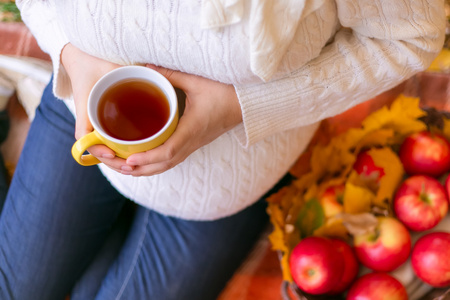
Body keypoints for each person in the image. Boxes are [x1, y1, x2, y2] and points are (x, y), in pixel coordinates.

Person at [0, 0, 445, 299]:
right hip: (86, 114)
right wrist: (70, 54)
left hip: (230, 173)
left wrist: (239, 108)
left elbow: (412, 37)